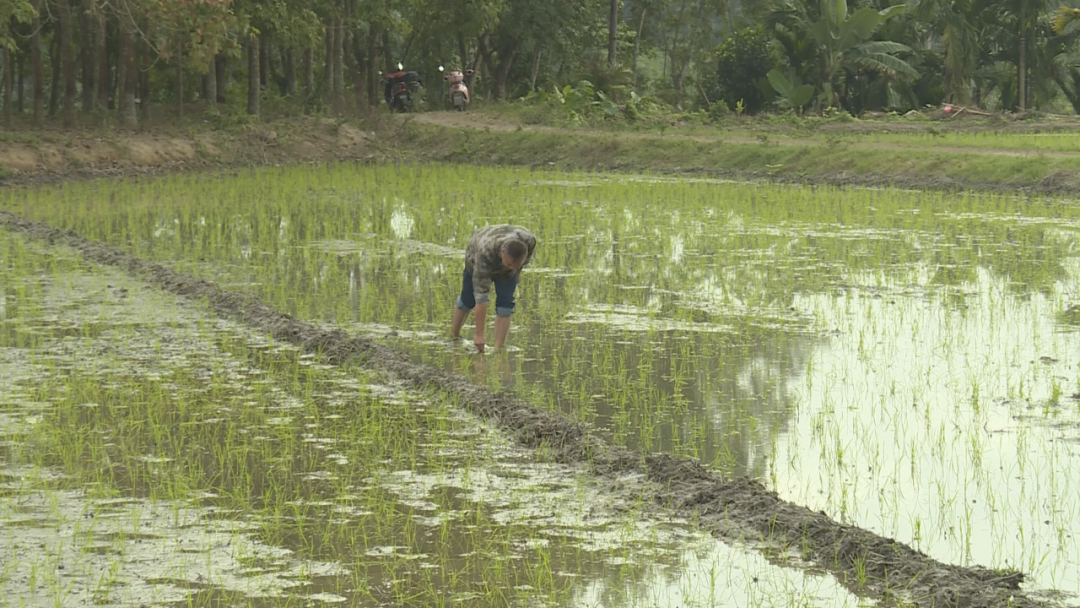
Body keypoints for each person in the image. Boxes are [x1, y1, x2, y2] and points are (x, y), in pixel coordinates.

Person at [451, 224, 537, 353]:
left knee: (506, 303)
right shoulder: (484, 253)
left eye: (516, 265)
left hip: (506, 254)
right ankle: (454, 337)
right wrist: (479, 334)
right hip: (476, 255)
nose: (511, 268)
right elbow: (481, 298)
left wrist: (517, 271)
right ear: (502, 253)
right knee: (468, 299)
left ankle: (498, 350)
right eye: (509, 264)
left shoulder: (529, 240)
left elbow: (518, 263)